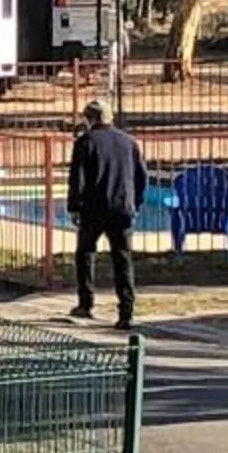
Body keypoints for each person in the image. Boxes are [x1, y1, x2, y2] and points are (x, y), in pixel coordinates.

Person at [66, 99, 146, 329]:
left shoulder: (85, 143)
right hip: (122, 209)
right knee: (123, 260)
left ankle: (86, 301)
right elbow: (141, 176)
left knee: (85, 254)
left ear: (90, 119)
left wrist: (74, 207)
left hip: (93, 210)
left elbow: (77, 180)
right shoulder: (129, 142)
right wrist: (136, 202)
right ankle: (126, 311)